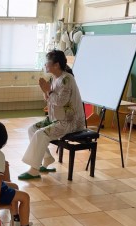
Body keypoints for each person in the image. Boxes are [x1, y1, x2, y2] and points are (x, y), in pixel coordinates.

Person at [18, 50, 86, 180]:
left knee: (40, 133)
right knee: (32, 129)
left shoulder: (67, 79)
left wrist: (47, 90)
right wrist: (45, 91)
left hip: (69, 122)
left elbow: (61, 101)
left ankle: (34, 170)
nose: (45, 64)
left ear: (56, 65)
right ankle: (47, 158)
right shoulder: (54, 78)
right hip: (55, 119)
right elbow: (48, 99)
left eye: (47, 62)